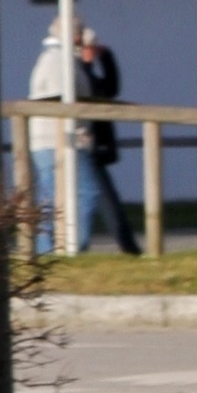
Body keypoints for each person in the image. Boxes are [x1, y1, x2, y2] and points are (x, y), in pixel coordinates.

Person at [27, 15, 111, 254]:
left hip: (45, 141)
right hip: (60, 140)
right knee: (86, 192)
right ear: (75, 36)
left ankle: (46, 251)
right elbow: (62, 103)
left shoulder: (56, 59)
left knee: (51, 199)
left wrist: (92, 59)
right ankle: (72, 248)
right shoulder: (60, 63)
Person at [78, 25, 141, 253]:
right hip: (87, 144)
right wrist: (87, 60)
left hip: (95, 145)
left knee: (103, 198)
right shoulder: (77, 72)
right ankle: (128, 248)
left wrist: (106, 57)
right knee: (103, 198)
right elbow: (91, 91)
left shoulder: (87, 72)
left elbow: (111, 88)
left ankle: (128, 247)